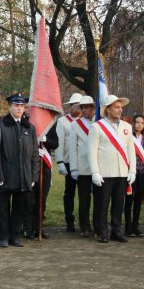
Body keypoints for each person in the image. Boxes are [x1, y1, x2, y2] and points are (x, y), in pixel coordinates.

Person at [0, 93, 38, 247]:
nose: (19, 108)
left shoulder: (29, 128)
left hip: (23, 175)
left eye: (21, 106)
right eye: (16, 105)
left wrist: (33, 176)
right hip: (5, 174)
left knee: (19, 208)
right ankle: (3, 236)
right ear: (10, 107)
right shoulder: (0, 125)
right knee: (2, 209)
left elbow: (34, 154)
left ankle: (15, 236)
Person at [88, 94, 135, 243]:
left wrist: (132, 170)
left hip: (122, 172)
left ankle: (116, 230)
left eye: (121, 107)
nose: (120, 110)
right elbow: (91, 151)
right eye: (116, 107)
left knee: (119, 204)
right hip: (104, 172)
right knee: (102, 204)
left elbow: (131, 151)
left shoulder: (127, 127)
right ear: (107, 109)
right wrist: (95, 171)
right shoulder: (97, 127)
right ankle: (102, 231)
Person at [67, 95, 96, 237]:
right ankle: (85, 226)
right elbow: (72, 148)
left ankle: (98, 224)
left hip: (99, 167)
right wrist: (73, 168)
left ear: (93, 108)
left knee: (100, 198)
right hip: (83, 167)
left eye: (87, 107)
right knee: (84, 199)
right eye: (82, 108)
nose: (84, 110)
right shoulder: (75, 125)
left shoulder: (99, 123)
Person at [24, 122, 58, 240]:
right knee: (29, 200)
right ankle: (28, 228)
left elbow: (55, 143)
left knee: (41, 199)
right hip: (28, 165)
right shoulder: (24, 123)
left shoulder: (49, 123)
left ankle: (38, 227)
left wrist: (45, 139)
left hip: (44, 166)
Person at [55, 93, 83, 232]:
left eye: (79, 105)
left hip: (82, 162)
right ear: (70, 107)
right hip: (67, 161)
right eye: (74, 105)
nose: (76, 107)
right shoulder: (63, 122)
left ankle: (84, 221)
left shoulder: (85, 122)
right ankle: (69, 220)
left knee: (84, 192)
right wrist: (59, 161)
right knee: (70, 192)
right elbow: (59, 143)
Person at [124, 114, 144, 237]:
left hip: (142, 173)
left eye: (142, 122)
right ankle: (128, 227)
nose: (139, 124)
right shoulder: (128, 137)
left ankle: (136, 226)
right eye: (137, 122)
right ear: (133, 123)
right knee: (129, 201)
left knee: (138, 202)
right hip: (131, 173)